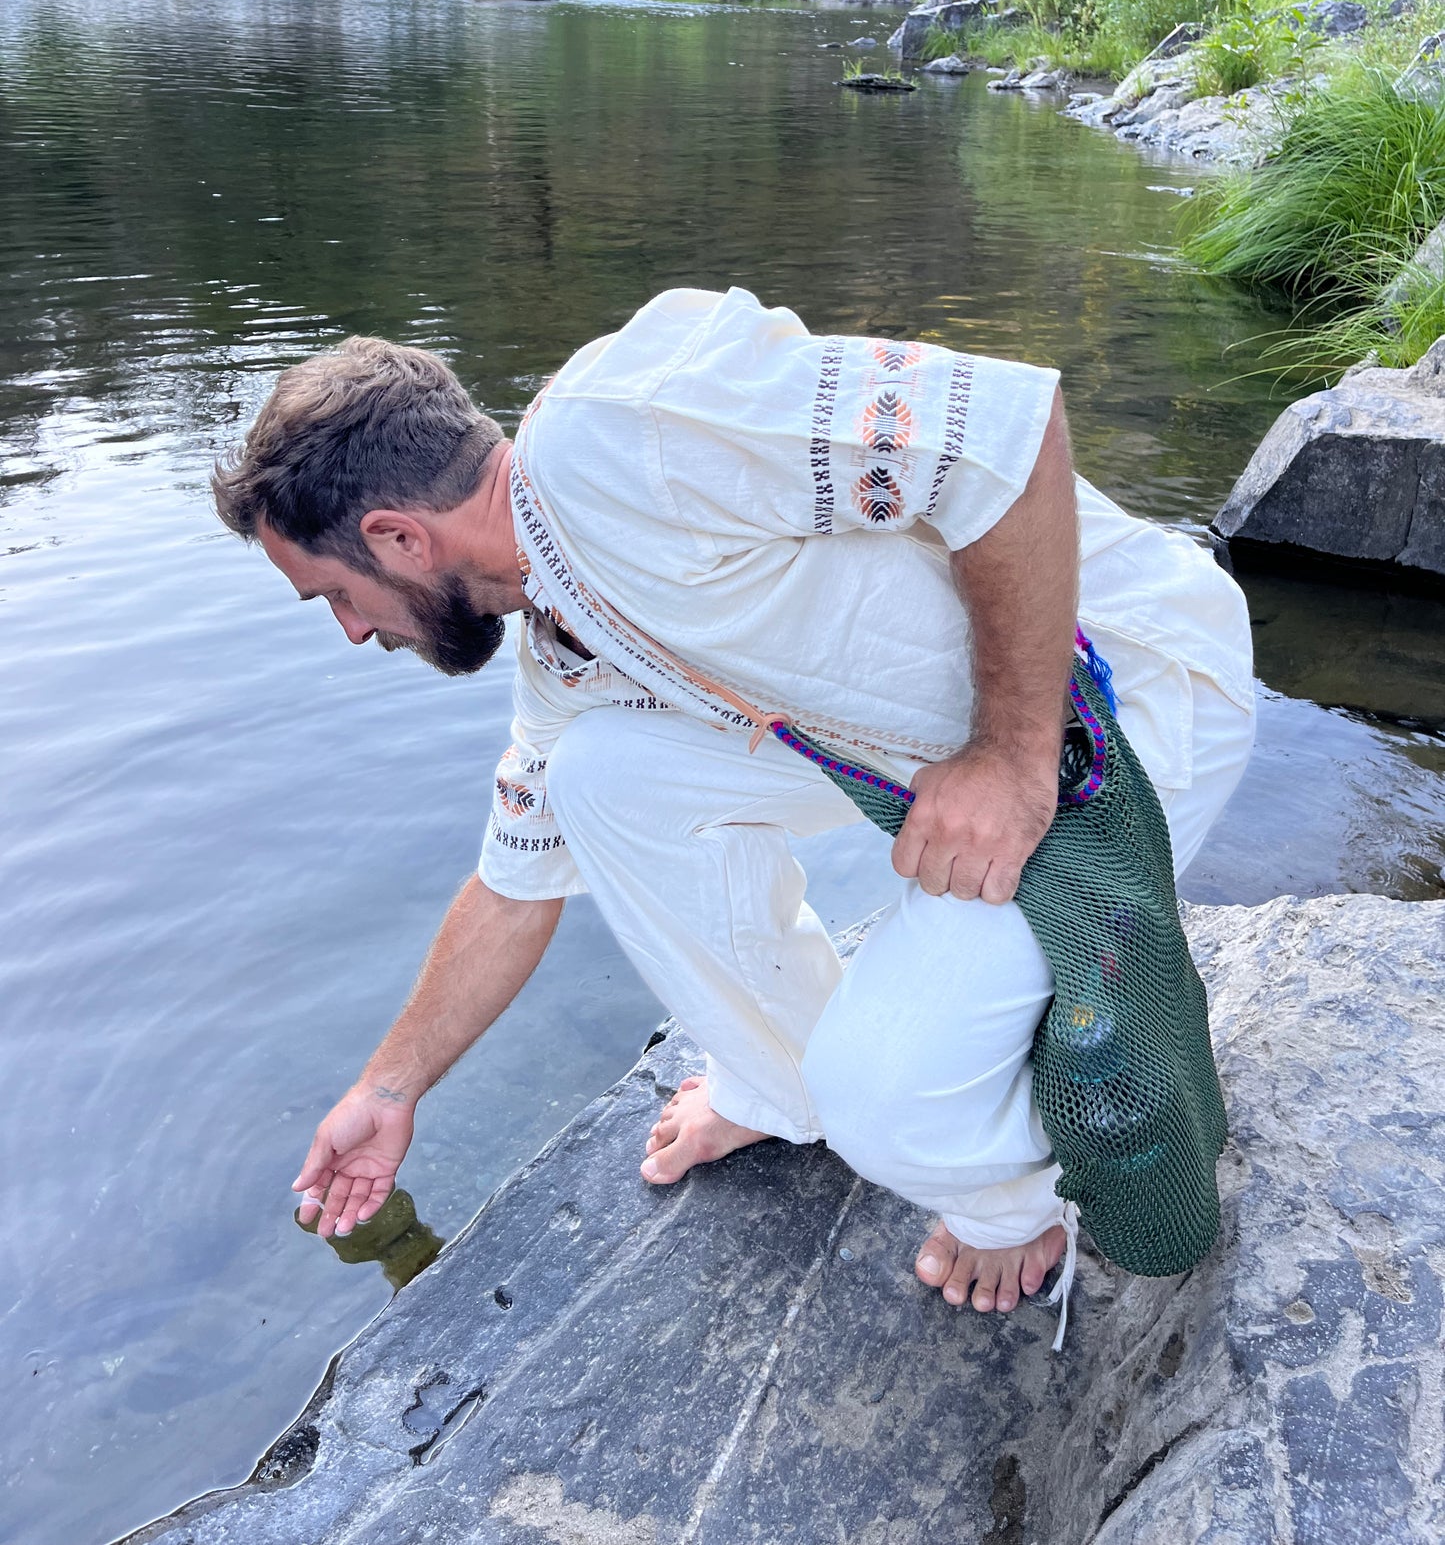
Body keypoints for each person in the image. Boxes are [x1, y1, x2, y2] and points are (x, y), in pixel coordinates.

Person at [213, 287, 1254, 1329]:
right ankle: (774, 1086)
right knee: (597, 779)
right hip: (928, 754)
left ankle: (1016, 1205)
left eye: (335, 596)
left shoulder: (621, 430)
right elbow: (513, 884)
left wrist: (1011, 754)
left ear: (397, 537)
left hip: (1125, 703)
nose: (352, 632)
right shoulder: (562, 646)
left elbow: (1008, 435)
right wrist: (388, 1091)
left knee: (884, 1101)